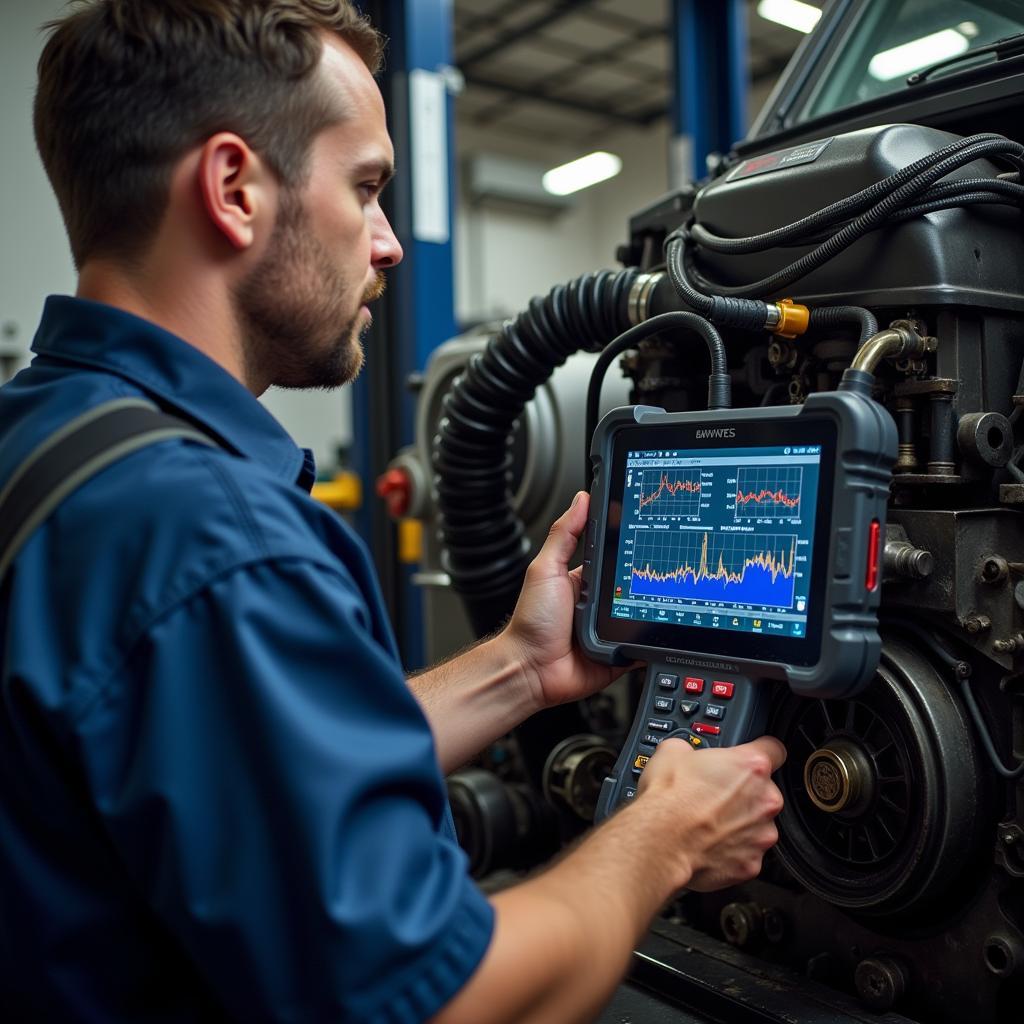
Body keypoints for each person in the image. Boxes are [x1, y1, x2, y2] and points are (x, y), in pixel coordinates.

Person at [0, 2, 787, 1021]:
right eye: (366, 187)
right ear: (233, 187)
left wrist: (518, 669)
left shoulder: (47, 438)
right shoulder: (213, 541)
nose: (388, 244)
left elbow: (250, 768)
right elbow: (442, 1001)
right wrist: (667, 833)